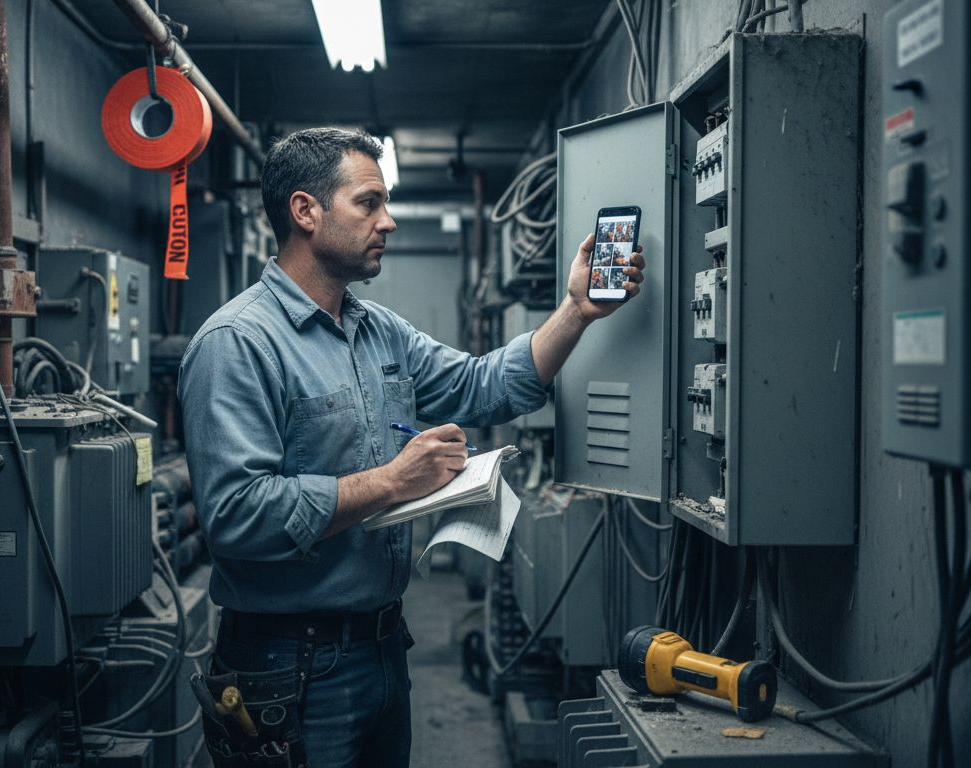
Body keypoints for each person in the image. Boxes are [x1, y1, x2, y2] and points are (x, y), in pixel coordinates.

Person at [178, 127, 644, 768]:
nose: (388, 221)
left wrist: (576, 310)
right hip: (287, 664)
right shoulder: (236, 343)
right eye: (368, 203)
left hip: (381, 647)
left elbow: (483, 387)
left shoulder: (379, 332)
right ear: (305, 211)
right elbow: (236, 515)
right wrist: (394, 481)